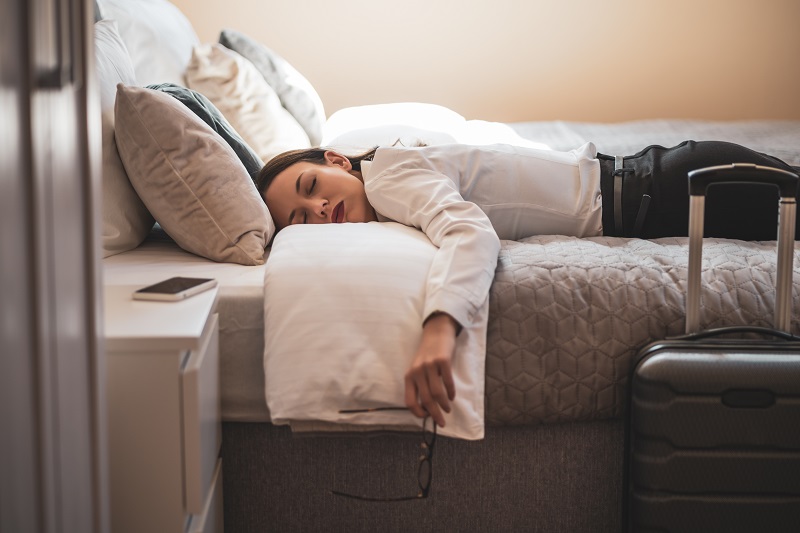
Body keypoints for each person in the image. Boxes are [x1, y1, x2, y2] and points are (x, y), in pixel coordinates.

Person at [256, 140, 800, 427]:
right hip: (654, 184)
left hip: (663, 191)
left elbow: (469, 231)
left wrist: (439, 327)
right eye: (299, 219)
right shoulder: (388, 177)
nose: (318, 209)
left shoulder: (389, 177)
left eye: (310, 186)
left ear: (335, 158)